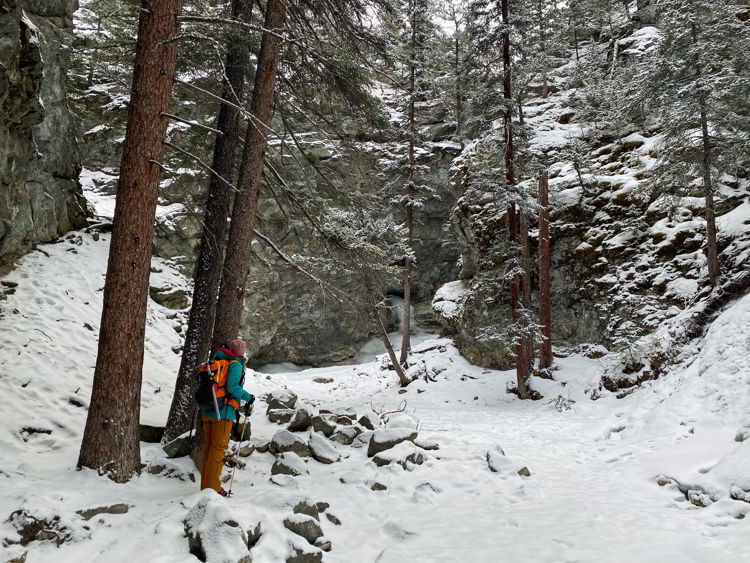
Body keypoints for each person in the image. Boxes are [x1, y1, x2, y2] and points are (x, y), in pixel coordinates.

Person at [200, 337, 254, 495]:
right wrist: (249, 397)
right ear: (241, 352)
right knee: (217, 451)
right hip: (223, 413)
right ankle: (212, 490)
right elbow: (232, 387)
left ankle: (205, 487)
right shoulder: (235, 363)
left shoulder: (216, 359)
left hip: (208, 411)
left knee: (210, 449)